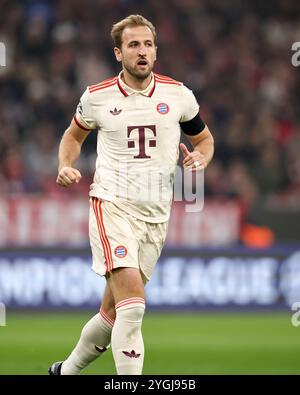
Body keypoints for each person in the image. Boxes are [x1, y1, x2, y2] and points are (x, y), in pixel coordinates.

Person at [48, 14, 214, 375]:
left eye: (148, 44)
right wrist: (65, 164)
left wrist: (202, 156)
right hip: (112, 205)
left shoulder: (178, 95)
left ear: (156, 51)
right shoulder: (97, 97)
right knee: (135, 306)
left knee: (112, 315)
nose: (142, 51)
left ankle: (65, 371)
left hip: (155, 215)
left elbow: (203, 138)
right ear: (118, 53)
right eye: (134, 45)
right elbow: (73, 136)